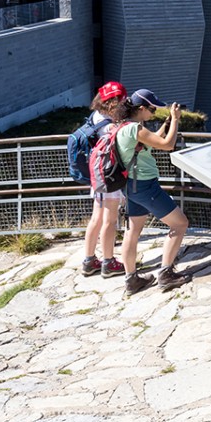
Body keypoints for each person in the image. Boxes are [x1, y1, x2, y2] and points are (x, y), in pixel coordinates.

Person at [115, 88, 190, 295]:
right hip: (145, 186)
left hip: (131, 185)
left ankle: (132, 280)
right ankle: (166, 274)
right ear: (140, 108)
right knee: (180, 223)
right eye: (151, 109)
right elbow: (167, 145)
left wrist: (166, 123)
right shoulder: (134, 129)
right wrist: (175, 120)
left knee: (132, 231)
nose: (153, 113)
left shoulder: (124, 126)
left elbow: (151, 143)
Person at [80, 81, 129, 279]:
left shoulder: (96, 117)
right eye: (123, 100)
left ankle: (89, 260)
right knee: (109, 220)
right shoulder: (109, 125)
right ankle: (109, 262)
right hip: (110, 175)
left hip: (98, 174)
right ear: (113, 102)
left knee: (96, 218)